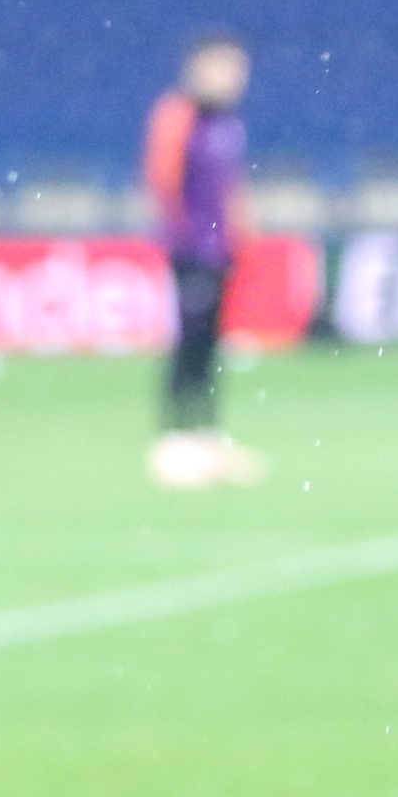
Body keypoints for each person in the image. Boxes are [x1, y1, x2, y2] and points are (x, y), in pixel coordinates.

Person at [142, 32, 264, 489]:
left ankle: (207, 435)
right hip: (192, 250)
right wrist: (184, 235)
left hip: (220, 250)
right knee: (189, 343)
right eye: (225, 67)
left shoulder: (226, 123)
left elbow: (230, 184)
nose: (235, 78)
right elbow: (163, 176)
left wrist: (240, 231)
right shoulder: (179, 114)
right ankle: (173, 439)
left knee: (212, 344)